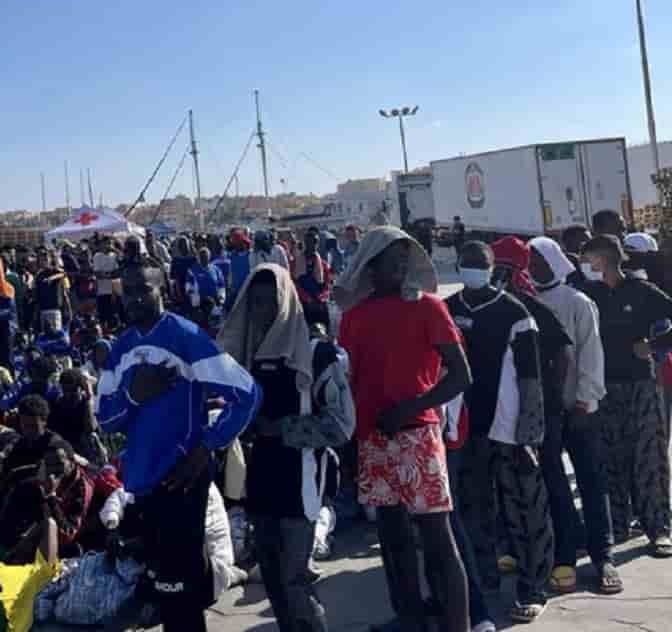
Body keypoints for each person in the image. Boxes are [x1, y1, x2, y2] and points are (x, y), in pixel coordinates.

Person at [97, 262, 261, 632]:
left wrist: (207, 448)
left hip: (182, 479)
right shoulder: (120, 349)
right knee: (169, 591)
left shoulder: (186, 337)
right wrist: (134, 395)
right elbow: (106, 419)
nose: (137, 298)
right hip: (142, 482)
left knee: (179, 593)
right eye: (131, 290)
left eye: (146, 289)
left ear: (164, 289)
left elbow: (247, 394)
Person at [332, 226, 471, 632]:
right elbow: (350, 381)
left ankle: (456, 624)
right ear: (371, 266)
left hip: (417, 435)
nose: (400, 266)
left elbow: (460, 375)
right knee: (393, 540)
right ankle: (409, 619)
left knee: (437, 538)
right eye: (392, 259)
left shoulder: (428, 308)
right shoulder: (353, 318)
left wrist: (412, 406)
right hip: (373, 438)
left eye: (404, 258)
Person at [218, 263, 354, 632]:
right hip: (261, 484)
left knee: (296, 583)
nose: (262, 313)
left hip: (301, 482)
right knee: (275, 581)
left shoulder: (317, 355)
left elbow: (342, 425)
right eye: (255, 304)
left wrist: (282, 429)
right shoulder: (248, 360)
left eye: (269, 303)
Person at [446, 240, 552, 623]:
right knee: (474, 508)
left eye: (478, 263)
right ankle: (484, 579)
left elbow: (530, 380)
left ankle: (534, 585)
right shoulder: (449, 309)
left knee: (524, 508)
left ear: (493, 269)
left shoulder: (515, 313)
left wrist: (530, 436)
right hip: (464, 429)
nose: (471, 268)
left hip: (508, 429)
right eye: (465, 262)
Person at [527, 236, 616, 594]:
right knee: (556, 486)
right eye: (529, 262)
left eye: (538, 261)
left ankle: (603, 555)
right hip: (548, 412)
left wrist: (584, 402)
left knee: (591, 481)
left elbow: (591, 356)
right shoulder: (528, 301)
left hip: (579, 409)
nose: (533, 267)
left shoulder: (578, 302)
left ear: (554, 262)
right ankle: (566, 552)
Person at [580, 234, 672, 557]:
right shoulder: (587, 294)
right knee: (611, 458)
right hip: (604, 388)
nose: (586, 266)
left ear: (603, 260)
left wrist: (657, 346)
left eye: (589, 259)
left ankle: (658, 527)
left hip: (641, 386)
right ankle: (617, 523)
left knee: (648, 456)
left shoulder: (641, 291)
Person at [48, 369, 104, 465]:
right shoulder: (56, 407)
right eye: (66, 391)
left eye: (73, 391)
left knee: (90, 438)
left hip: (86, 451)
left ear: (81, 389)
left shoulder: (85, 404)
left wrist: (89, 398)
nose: (68, 395)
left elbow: (90, 428)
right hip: (66, 452)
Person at [297, 228, 334, 332]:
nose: (311, 245)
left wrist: (320, 298)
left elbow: (327, 285)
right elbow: (295, 284)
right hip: (304, 304)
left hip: (319, 303)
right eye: (308, 242)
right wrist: (308, 299)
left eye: (314, 242)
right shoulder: (296, 264)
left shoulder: (323, 265)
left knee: (325, 332)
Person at [33, 249, 72, 333]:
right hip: (43, 309)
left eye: (46, 259)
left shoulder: (55, 271)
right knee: (45, 333)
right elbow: (36, 292)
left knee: (56, 333)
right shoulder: (39, 275)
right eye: (41, 260)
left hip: (55, 309)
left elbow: (63, 274)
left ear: (50, 260)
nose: (44, 262)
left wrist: (51, 278)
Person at [92, 240, 120, 328]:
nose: (108, 245)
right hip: (102, 288)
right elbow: (97, 272)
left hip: (114, 287)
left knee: (114, 309)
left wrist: (110, 275)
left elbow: (116, 270)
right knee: (103, 310)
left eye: (110, 243)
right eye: (106, 243)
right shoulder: (97, 256)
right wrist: (107, 275)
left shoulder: (114, 255)